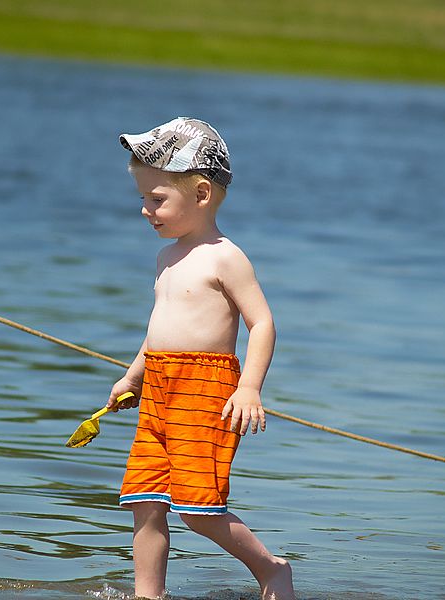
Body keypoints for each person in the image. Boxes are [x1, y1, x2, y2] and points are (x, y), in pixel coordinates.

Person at [107, 117, 295, 600]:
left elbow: (263, 324)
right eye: (143, 199)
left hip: (205, 386)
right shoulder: (166, 258)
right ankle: (148, 595)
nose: (147, 211)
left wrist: (249, 386)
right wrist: (132, 377)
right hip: (160, 385)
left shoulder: (224, 256)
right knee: (144, 501)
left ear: (202, 194)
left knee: (196, 507)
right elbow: (159, 331)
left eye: (158, 199)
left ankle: (271, 568)